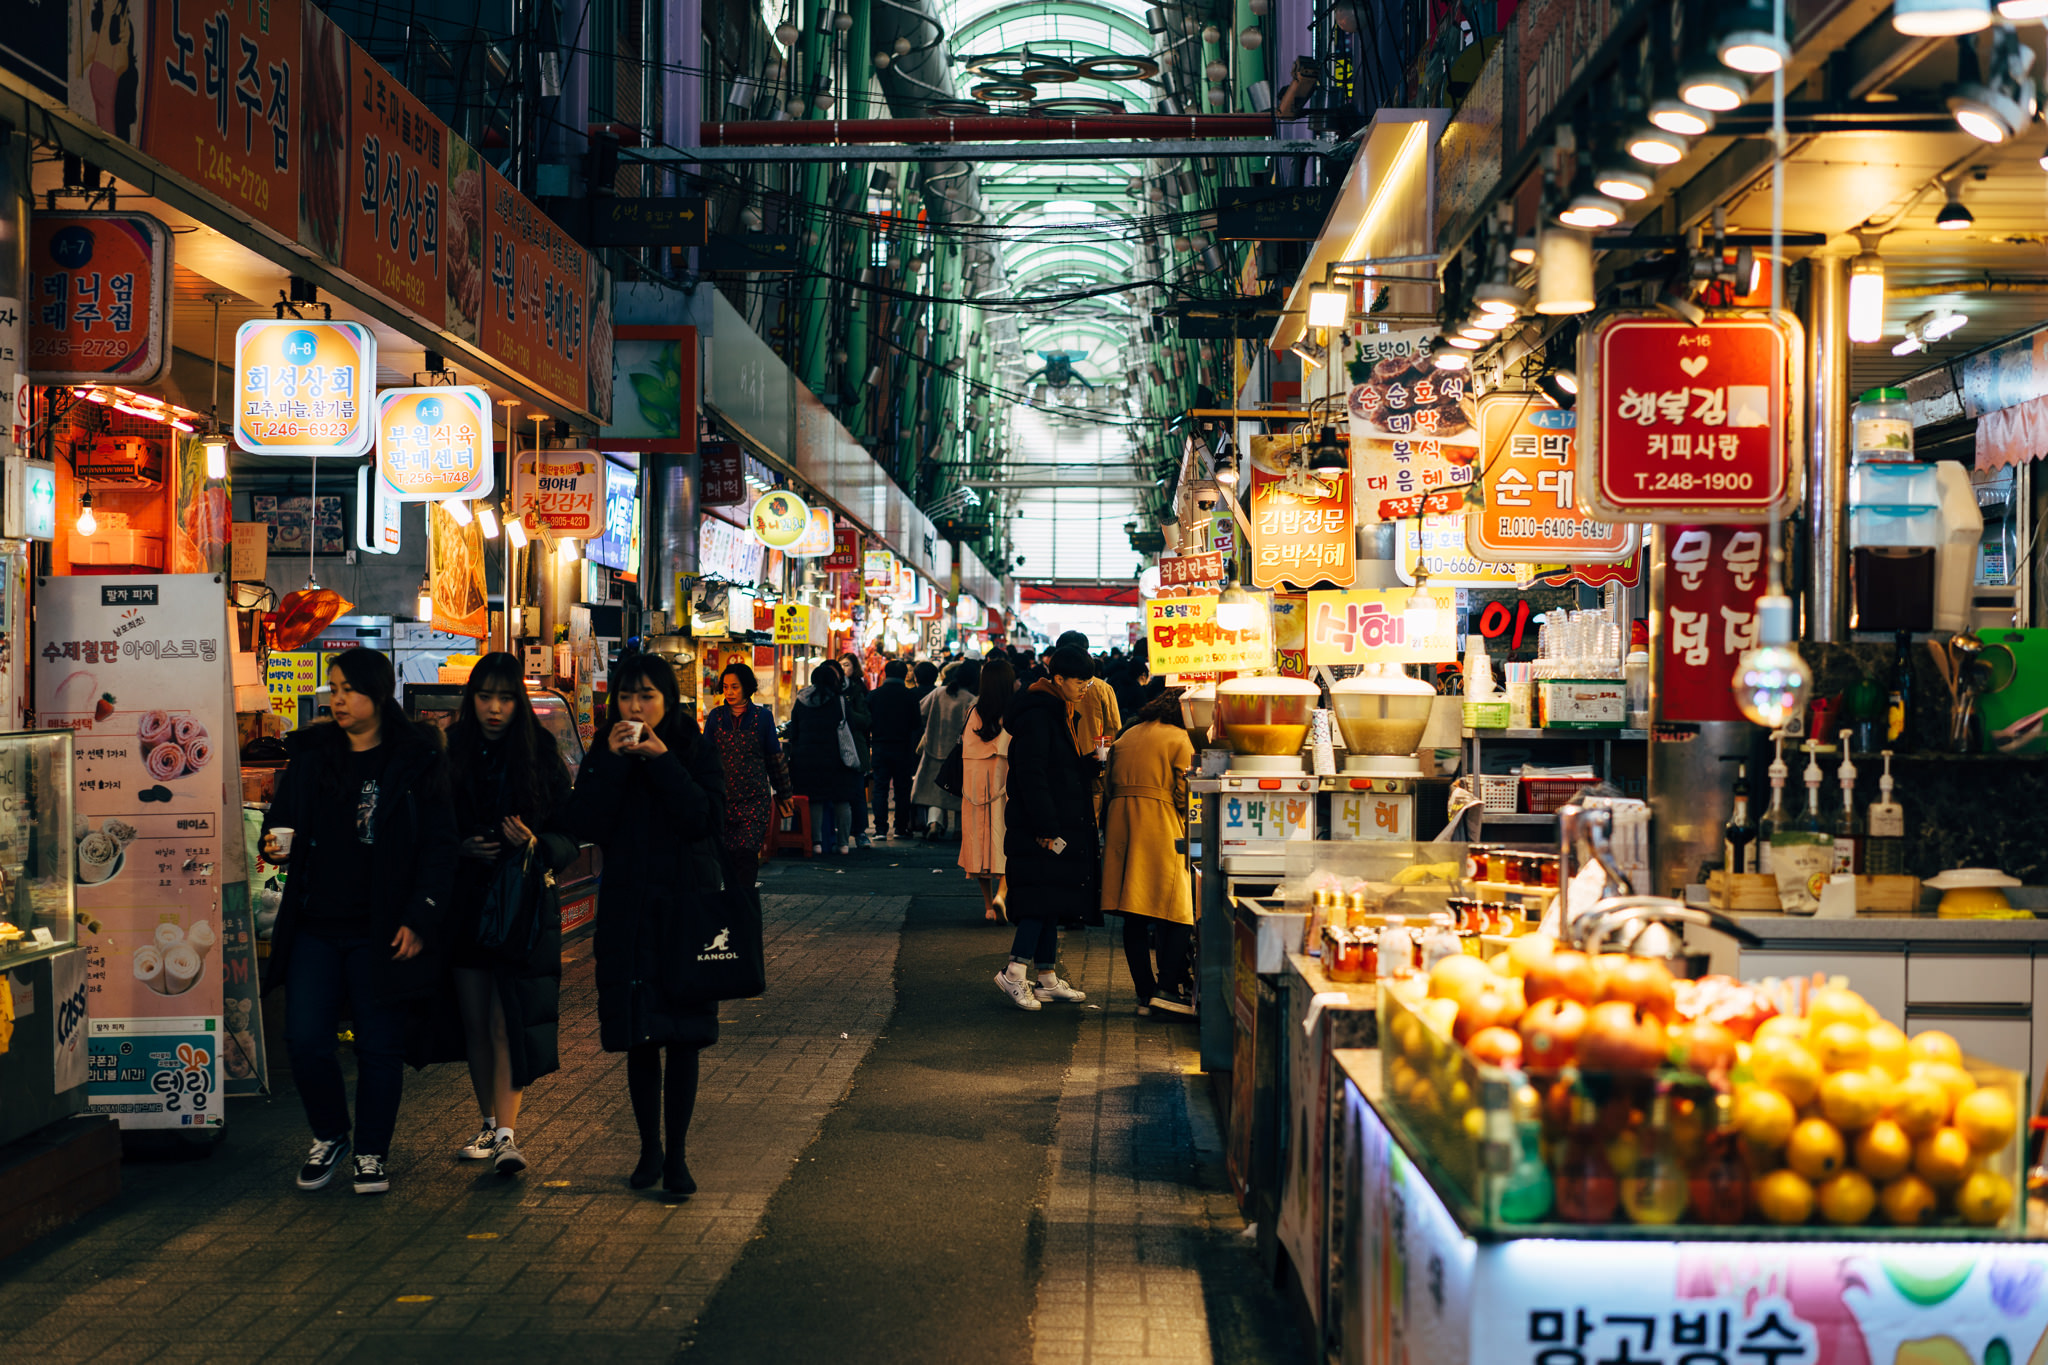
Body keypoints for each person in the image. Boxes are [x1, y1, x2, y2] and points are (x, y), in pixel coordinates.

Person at [260, 647, 457, 1196]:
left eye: (348, 689)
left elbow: (440, 849)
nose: (337, 698)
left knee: (378, 1046)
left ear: (379, 693)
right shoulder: (313, 757)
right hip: (316, 924)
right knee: (303, 1038)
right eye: (334, 687)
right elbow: (281, 823)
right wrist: (274, 844)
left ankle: (371, 1151)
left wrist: (419, 917)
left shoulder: (416, 760)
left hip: (381, 927)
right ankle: (330, 1135)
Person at [565, 653, 726, 1196]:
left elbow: (703, 820)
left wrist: (660, 761)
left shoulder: (694, 747)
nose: (635, 707)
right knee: (639, 1037)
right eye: (627, 696)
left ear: (669, 700)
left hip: (684, 912)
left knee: (682, 1038)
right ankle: (648, 1149)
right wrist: (609, 764)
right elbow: (584, 823)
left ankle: (678, 1156)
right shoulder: (605, 749)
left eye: (647, 696)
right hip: (628, 910)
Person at [419, 653, 581, 1177]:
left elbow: (568, 834)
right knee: (473, 1020)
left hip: (520, 906)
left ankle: (507, 1133)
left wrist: (537, 843)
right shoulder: (451, 752)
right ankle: (489, 1124)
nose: (494, 708)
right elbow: (429, 828)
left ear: (518, 701)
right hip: (465, 904)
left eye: (505, 697)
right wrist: (459, 848)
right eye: (485, 696)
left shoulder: (539, 754)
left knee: (502, 1019)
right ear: (472, 698)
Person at [994, 647, 1098, 1011]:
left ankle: (1047, 979)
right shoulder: (1040, 715)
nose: (1085, 687)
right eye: (1079, 681)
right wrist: (1046, 825)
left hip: (1050, 820)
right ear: (1058, 680)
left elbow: (1055, 769)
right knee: (1039, 898)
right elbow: (1031, 775)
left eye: (1088, 680)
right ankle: (1013, 972)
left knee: (1051, 898)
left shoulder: (1061, 711)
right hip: (1038, 825)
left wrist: (1088, 767)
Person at [1101, 691, 1197, 1016]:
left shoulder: (1127, 735)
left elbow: (1108, 785)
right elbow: (1186, 795)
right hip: (1160, 823)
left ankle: (1144, 993)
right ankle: (1167, 989)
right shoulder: (1180, 739)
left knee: (1135, 912)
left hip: (1122, 824)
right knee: (1179, 909)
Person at [701, 662, 792, 899]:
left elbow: (774, 757)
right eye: (726, 687)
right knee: (727, 858)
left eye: (735, 687)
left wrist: (784, 794)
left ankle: (743, 908)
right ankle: (732, 907)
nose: (729, 692)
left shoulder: (763, 717)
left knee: (746, 854)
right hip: (722, 800)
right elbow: (703, 757)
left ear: (747, 688)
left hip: (754, 800)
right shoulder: (715, 717)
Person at [783, 660, 865, 854]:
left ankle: (816, 844)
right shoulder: (840, 701)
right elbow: (850, 729)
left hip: (807, 760)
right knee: (842, 800)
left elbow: (793, 731)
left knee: (814, 800)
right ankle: (843, 845)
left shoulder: (801, 701)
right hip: (837, 759)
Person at [959, 658, 1016, 923]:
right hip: (1002, 781)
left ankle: (988, 907)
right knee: (1005, 836)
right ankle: (1002, 893)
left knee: (977, 840)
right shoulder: (1013, 711)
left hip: (973, 785)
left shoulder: (973, 711)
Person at [911, 658, 979, 840]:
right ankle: (959, 829)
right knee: (959, 791)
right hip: (959, 752)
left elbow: (920, 712)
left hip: (934, 747)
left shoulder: (938, 693)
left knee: (935, 792)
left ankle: (934, 824)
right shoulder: (971, 700)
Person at [1056, 630, 1122, 812]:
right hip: (1093, 771)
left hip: (1057, 772)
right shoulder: (1101, 688)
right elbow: (1114, 731)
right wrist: (1103, 763)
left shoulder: (1052, 685)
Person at [866, 658, 921, 838]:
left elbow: (867, 724)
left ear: (885, 674)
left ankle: (880, 829)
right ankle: (900, 828)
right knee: (902, 790)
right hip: (903, 748)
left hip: (880, 747)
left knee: (880, 788)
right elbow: (916, 724)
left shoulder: (874, 696)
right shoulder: (910, 696)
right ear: (904, 675)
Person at [836, 651, 876, 848]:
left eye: (847, 665)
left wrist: (846, 712)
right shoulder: (828, 692)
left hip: (856, 747)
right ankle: (836, 835)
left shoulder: (858, 689)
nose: (843, 669)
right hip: (834, 749)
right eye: (840, 665)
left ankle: (860, 833)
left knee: (857, 792)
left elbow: (866, 720)